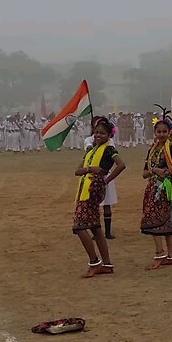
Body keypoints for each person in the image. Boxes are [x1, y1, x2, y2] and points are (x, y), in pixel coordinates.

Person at [72, 116, 126, 277]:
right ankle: (107, 263)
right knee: (95, 228)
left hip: (92, 192)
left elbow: (121, 164)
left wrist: (106, 180)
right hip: (84, 190)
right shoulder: (91, 150)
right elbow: (77, 171)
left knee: (79, 227)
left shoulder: (109, 149)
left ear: (109, 135)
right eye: (96, 133)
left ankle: (95, 262)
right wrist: (91, 169)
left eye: (102, 133)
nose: (98, 136)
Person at [141, 109, 172, 270]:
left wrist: (171, 169)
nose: (161, 134)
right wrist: (155, 171)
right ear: (154, 132)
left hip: (164, 188)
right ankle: (171, 255)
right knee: (164, 220)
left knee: (157, 220)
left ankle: (160, 254)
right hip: (153, 186)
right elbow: (144, 173)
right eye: (159, 131)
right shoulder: (152, 150)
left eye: (164, 131)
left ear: (170, 132)